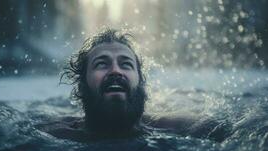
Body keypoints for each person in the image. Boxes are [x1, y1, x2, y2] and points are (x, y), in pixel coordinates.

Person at [37, 28, 226, 141]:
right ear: (81, 85)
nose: (115, 71)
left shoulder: (181, 127)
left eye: (126, 64)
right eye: (101, 64)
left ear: (140, 82)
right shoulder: (52, 134)